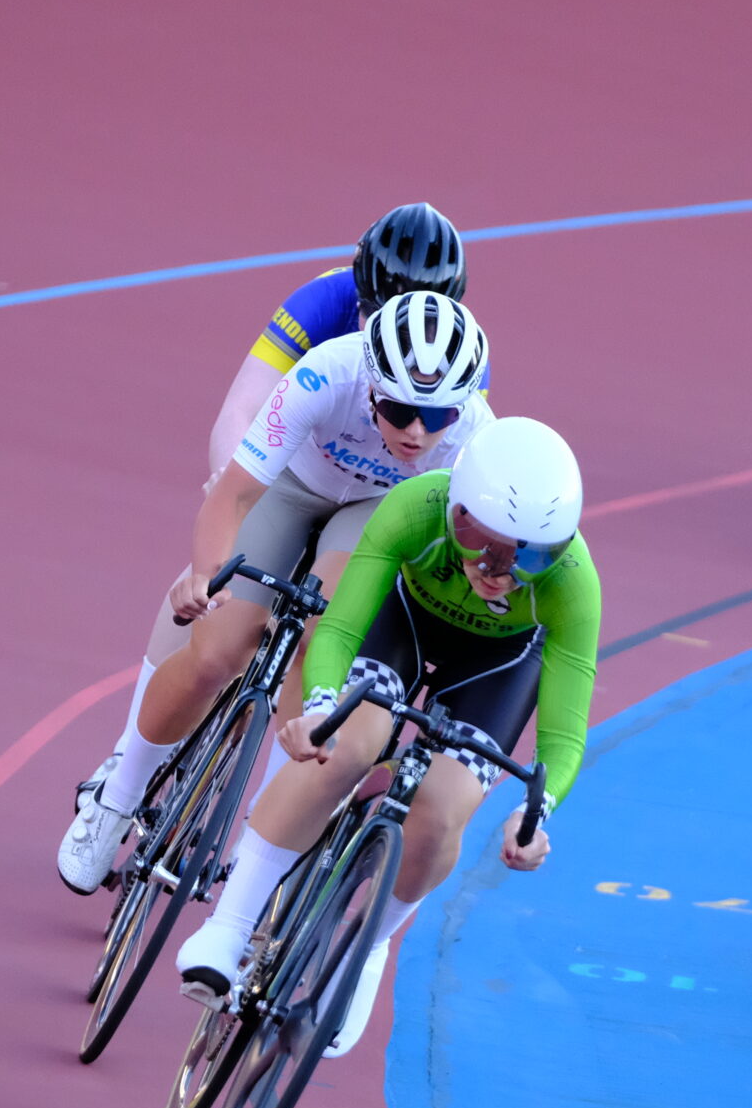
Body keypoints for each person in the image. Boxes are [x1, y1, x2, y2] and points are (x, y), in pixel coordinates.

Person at [170, 416, 600, 1058]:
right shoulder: (415, 507)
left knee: (443, 809)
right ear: (454, 509)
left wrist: (536, 813)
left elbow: (563, 734)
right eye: (481, 542)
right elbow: (341, 629)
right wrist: (320, 707)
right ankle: (228, 927)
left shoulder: (573, 583)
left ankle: (365, 949)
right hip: (404, 620)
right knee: (345, 745)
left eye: (530, 556)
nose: (499, 572)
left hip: (499, 664)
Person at [57, 289, 494, 894]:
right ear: (371, 387)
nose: (417, 432)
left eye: (436, 416)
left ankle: (265, 824)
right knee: (216, 651)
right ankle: (117, 796)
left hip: (375, 510)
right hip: (292, 483)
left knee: (321, 638)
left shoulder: (474, 437)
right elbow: (234, 494)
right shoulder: (328, 374)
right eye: (398, 411)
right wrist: (205, 574)